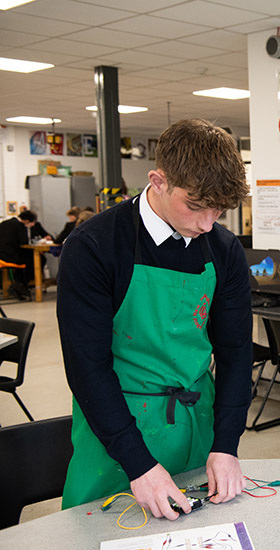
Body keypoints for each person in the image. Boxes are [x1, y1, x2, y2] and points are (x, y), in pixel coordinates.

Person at [57, 119, 252, 520]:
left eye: (219, 210)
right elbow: (87, 367)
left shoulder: (223, 249)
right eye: (196, 206)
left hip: (196, 420)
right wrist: (139, 465)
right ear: (158, 181)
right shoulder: (94, 246)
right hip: (116, 425)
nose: (206, 223)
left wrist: (226, 445)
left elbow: (235, 352)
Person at [0, 210, 37, 299]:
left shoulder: (4, 223)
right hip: (10, 256)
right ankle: (22, 284)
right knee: (33, 260)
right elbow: (24, 242)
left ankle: (18, 284)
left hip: (1, 255)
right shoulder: (20, 226)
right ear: (27, 221)